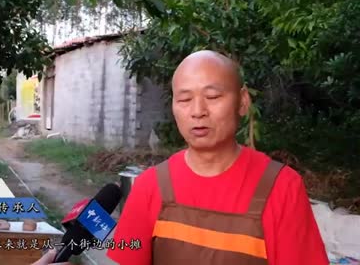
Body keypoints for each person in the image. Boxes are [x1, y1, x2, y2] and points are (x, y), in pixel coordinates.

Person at [106, 50, 329, 265]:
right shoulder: (148, 186)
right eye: (184, 100)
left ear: (242, 101)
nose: (198, 111)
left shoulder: (283, 188)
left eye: (212, 96)